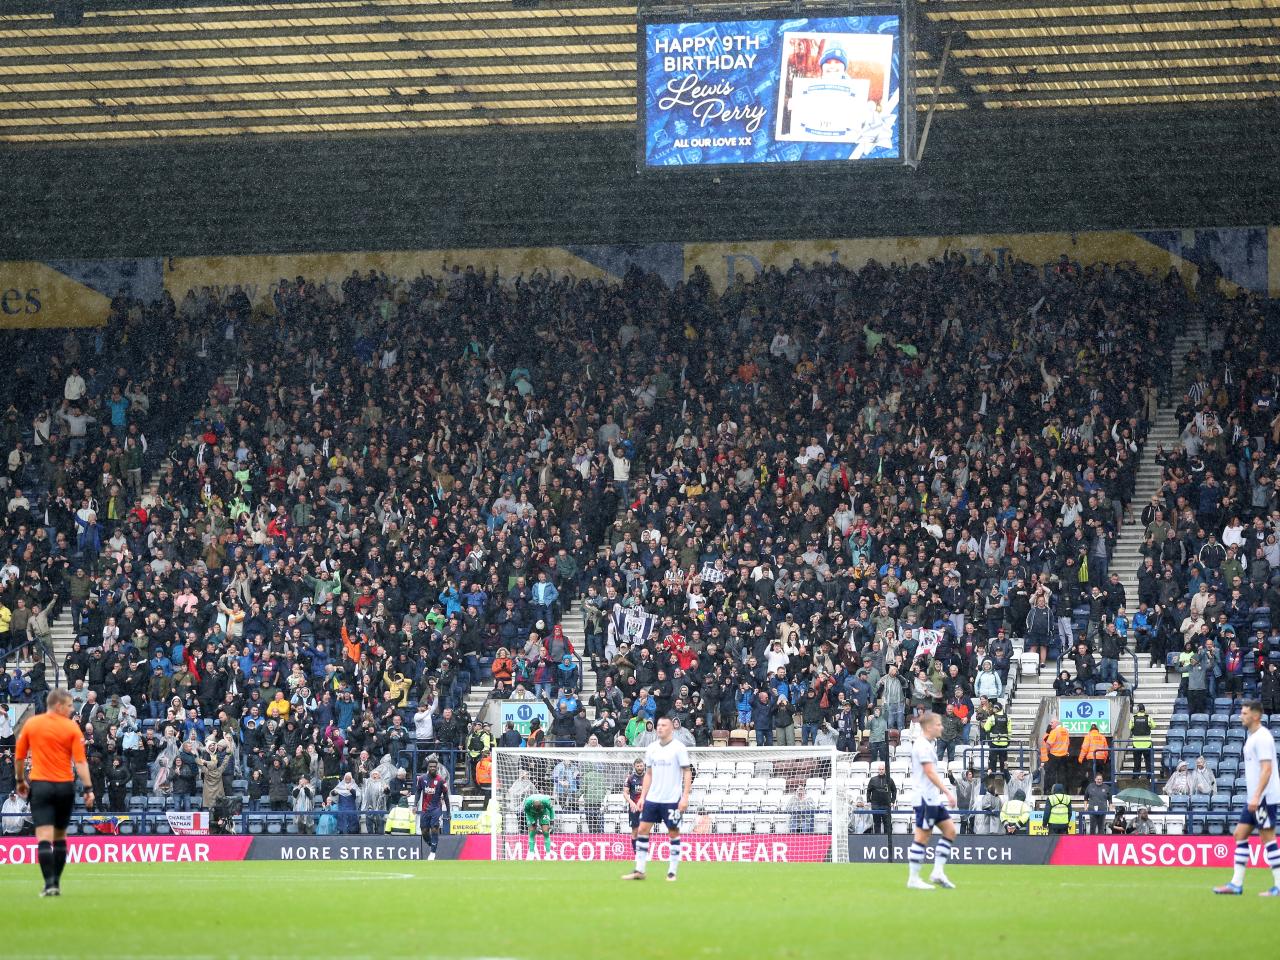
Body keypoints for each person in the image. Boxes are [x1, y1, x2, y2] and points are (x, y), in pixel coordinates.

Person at [14, 689, 93, 896]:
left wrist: (21, 780)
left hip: (40, 786)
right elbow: (80, 762)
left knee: (43, 836)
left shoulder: (32, 724)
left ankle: (49, 883)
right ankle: (55, 883)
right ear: (58, 706)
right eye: (68, 706)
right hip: (64, 786)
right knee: (59, 836)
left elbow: (20, 756)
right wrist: (88, 788)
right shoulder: (72, 728)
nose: (71, 709)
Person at [1214, 700, 1280, 896]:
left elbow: (1267, 770)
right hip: (1255, 798)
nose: (1241, 716)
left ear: (1256, 715)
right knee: (1239, 834)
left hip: (1264, 798)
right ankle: (1236, 884)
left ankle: (1278, 884)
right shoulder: (1252, 737)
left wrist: (1257, 796)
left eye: (1245, 713)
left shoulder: (1262, 737)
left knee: (1268, 839)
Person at [622, 716, 692, 882]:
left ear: (671, 728)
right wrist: (643, 797)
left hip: (672, 799)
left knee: (673, 832)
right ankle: (639, 870)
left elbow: (687, 772)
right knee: (642, 830)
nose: (659, 727)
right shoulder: (652, 748)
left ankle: (672, 872)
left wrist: (685, 796)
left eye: (663, 725)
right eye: (658, 725)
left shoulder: (678, 748)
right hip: (653, 798)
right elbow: (648, 774)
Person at [906, 711, 958, 890]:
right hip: (925, 799)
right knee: (922, 836)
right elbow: (929, 772)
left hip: (932, 799)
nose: (941, 727)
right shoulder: (922, 746)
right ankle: (913, 878)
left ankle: (937, 872)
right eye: (938, 724)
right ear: (928, 727)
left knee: (950, 830)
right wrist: (947, 792)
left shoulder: (928, 744)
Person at [414, 755, 451, 861]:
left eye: (434, 767)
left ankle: (433, 852)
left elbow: (446, 797)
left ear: (437, 767)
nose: (432, 768)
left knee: (434, 828)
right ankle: (432, 844)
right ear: (428, 767)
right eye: (431, 766)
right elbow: (417, 791)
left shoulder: (441, 781)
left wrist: (448, 811)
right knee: (424, 831)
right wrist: (415, 805)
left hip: (436, 808)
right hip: (425, 809)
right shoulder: (422, 779)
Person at [866, 761, 897, 835]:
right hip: (875, 805)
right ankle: (877, 839)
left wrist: (892, 801)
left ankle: (887, 839)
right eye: (879, 769)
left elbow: (894, 791)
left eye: (882, 769)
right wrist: (869, 801)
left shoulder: (889, 779)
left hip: (886, 805)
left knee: (887, 823)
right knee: (877, 823)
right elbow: (868, 791)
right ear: (878, 770)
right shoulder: (873, 779)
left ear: (885, 770)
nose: (881, 771)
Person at [523, 793, 555, 857]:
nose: (538, 808)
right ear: (533, 805)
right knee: (532, 832)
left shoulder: (546, 801)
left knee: (546, 832)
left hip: (544, 812)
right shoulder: (527, 803)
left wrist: (551, 821)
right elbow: (527, 811)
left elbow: (551, 810)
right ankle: (531, 853)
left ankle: (548, 854)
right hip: (531, 813)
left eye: (539, 807)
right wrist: (532, 821)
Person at [983, 702, 1010, 776]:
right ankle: (1004, 777)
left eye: (994, 708)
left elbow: (986, 728)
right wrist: (1008, 740)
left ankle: (992, 777)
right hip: (1004, 742)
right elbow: (1010, 730)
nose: (993, 709)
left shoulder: (992, 717)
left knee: (992, 761)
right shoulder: (1007, 717)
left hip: (994, 742)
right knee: (1003, 761)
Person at [1128, 703, 1155, 779]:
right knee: (1148, 762)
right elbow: (1154, 726)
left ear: (1137, 710)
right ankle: (1149, 776)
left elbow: (1130, 727)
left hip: (1136, 744)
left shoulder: (1133, 718)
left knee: (1137, 761)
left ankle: (1136, 776)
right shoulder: (1148, 718)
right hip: (1147, 744)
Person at [624, 757, 645, 852]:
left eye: (641, 766)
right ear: (634, 766)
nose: (640, 767)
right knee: (635, 830)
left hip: (646, 807)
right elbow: (625, 793)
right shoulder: (630, 778)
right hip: (634, 808)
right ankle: (635, 853)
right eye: (638, 766)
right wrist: (632, 803)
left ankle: (644, 850)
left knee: (645, 830)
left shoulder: (648, 778)